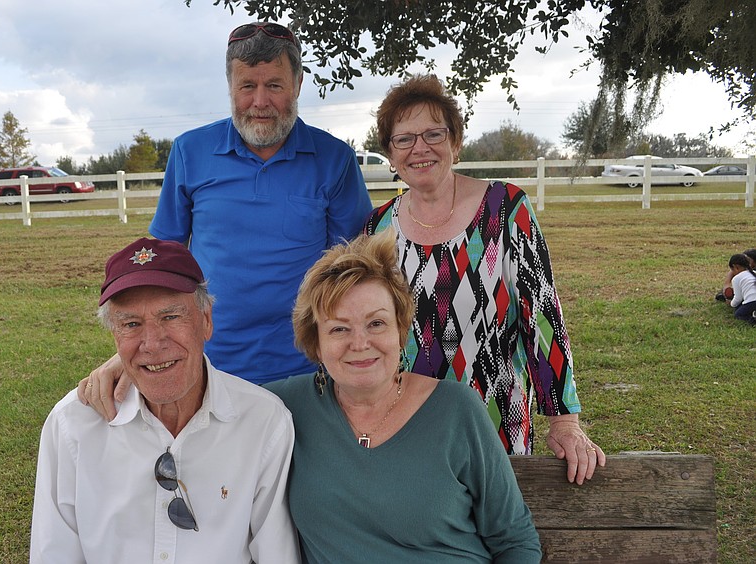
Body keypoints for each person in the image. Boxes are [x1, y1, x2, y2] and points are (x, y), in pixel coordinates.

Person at [87, 21, 372, 392]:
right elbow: (161, 267)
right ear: (230, 86)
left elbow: (354, 266)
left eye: (274, 85)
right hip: (208, 363)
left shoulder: (335, 159)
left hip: (307, 363)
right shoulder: (190, 151)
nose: (260, 102)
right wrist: (129, 353)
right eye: (247, 86)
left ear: (298, 84)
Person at [363, 74, 604, 484]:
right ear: (390, 153)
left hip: (495, 419)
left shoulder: (505, 208)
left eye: (433, 134)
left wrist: (564, 421)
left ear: (455, 143)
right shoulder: (378, 227)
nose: (420, 148)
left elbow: (541, 317)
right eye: (404, 139)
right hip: (406, 423)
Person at [265, 232, 541, 563]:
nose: (360, 343)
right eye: (339, 328)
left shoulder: (456, 411)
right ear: (316, 343)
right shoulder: (284, 407)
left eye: (376, 323)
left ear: (400, 330)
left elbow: (515, 540)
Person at [31, 238, 299, 563]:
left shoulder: (262, 421)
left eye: (170, 317)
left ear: (207, 320)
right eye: (131, 324)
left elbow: (276, 554)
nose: (152, 343)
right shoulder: (73, 424)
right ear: (114, 335)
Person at [727, 253, 756, 325]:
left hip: (752, 302)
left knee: (738, 314)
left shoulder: (736, 278)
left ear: (735, 267)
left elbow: (738, 298)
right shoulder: (754, 273)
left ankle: (753, 320)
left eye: (732, 270)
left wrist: (731, 304)